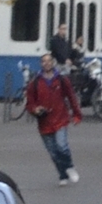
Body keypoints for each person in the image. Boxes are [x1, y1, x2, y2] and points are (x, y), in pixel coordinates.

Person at [24, 54, 82, 186]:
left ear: (53, 63)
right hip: (44, 123)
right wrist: (35, 109)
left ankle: (69, 166)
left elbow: (71, 97)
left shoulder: (61, 80)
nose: (47, 63)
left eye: (49, 61)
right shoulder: (35, 82)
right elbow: (29, 103)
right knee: (53, 153)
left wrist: (77, 114)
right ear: (40, 64)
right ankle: (62, 175)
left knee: (62, 146)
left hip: (60, 118)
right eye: (44, 61)